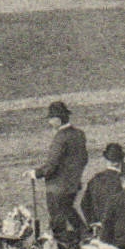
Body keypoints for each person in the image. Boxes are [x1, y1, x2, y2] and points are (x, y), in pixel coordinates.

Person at [30, 100, 88, 236]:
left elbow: (52, 165)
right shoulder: (79, 134)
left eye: (51, 119)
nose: (49, 122)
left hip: (57, 188)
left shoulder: (60, 138)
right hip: (73, 184)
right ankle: (86, 235)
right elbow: (84, 159)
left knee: (58, 221)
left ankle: (62, 245)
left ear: (57, 119)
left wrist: (36, 173)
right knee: (69, 212)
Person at [82, 143, 125, 229]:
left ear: (106, 159)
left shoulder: (95, 179)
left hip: (100, 227)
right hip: (120, 228)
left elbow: (84, 204)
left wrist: (93, 222)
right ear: (121, 161)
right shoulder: (124, 180)